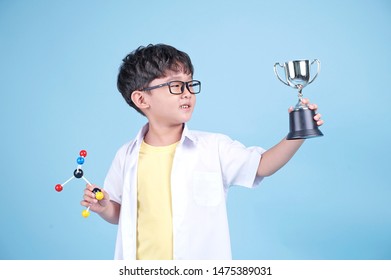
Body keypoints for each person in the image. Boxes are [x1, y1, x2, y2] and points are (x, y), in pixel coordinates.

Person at [81, 44, 324, 260]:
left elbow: (262, 165)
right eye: (176, 86)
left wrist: (298, 133)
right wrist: (104, 208)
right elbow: (120, 212)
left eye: (190, 84)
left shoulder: (213, 147)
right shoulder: (127, 155)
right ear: (142, 100)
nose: (187, 92)